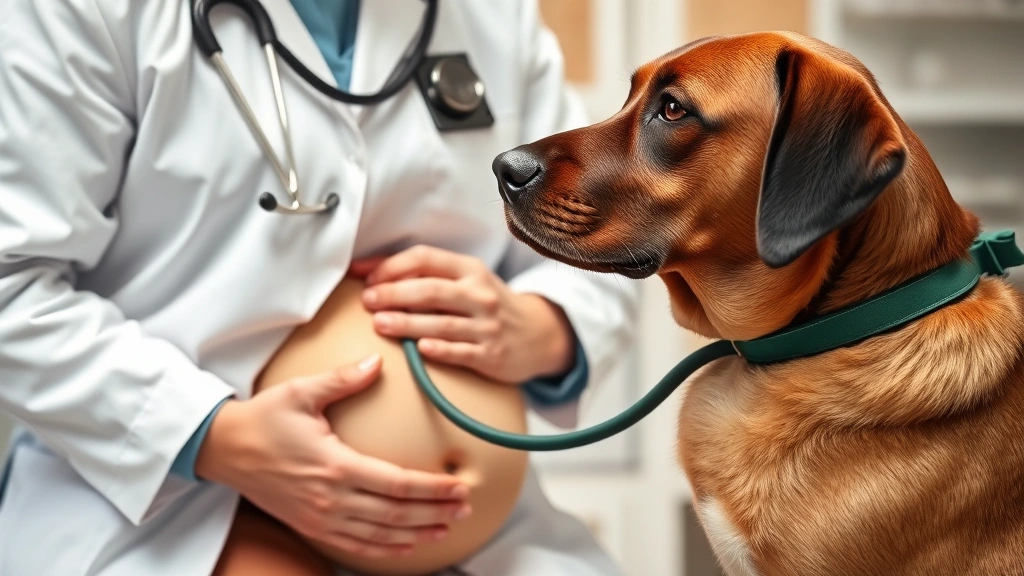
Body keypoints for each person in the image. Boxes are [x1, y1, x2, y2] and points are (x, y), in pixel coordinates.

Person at [0, 1, 638, 575]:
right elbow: (14, 286)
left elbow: (604, 239)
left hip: (485, 534)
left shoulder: (492, 14)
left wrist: (544, 325)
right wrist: (216, 437)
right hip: (171, 503)